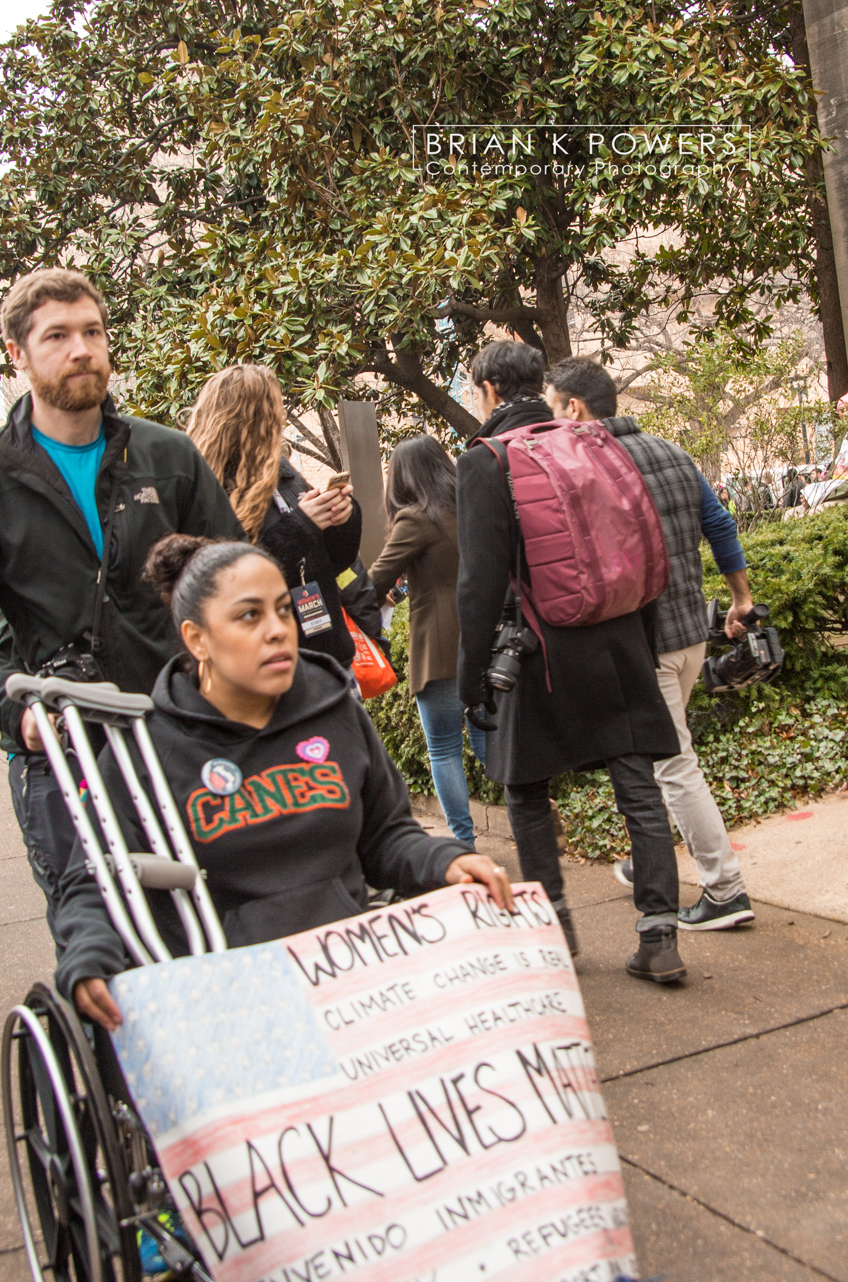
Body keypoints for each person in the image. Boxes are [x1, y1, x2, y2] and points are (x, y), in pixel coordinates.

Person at [54, 534, 726, 1282]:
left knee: (505, 1086)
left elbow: (387, 838)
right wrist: (88, 956)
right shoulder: (150, 754)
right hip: (247, 1011)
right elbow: (93, 883)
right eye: (251, 618)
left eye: (284, 609)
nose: (280, 631)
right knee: (358, 1179)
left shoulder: (331, 707)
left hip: (357, 976)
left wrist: (447, 860)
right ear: (195, 640)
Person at [0, 266, 242, 934]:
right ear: (18, 353)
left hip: (184, 732)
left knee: (224, 922)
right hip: (65, 751)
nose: (81, 350)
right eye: (58, 336)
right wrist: (21, 712)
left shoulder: (168, 456)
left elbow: (235, 580)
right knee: (106, 942)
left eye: (92, 331)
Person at [455, 341, 686, 983]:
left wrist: (471, 676)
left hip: (538, 646)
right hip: (616, 635)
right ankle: (659, 935)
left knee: (526, 788)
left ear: (491, 391)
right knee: (636, 780)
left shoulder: (485, 461)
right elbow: (639, 540)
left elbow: (478, 583)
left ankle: (556, 931)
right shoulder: (595, 440)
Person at [544, 358, 755, 932]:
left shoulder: (588, 465)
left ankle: (725, 889)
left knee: (674, 765)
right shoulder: (672, 451)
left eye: (551, 404)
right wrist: (741, 601)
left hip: (648, 643)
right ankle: (648, 859)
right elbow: (721, 524)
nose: (548, 415)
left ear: (575, 409)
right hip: (693, 636)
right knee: (667, 753)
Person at [185, 365, 363, 674]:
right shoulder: (205, 488)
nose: (281, 416)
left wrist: (341, 517)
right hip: (267, 664)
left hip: (329, 655)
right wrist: (302, 525)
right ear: (250, 417)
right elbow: (228, 578)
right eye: (274, 406)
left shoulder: (283, 472)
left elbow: (334, 561)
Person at [368, 435, 486, 848]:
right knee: (489, 737)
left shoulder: (416, 519)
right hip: (483, 639)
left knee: (444, 750)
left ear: (403, 476)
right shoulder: (471, 507)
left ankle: (463, 842)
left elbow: (375, 580)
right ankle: (531, 811)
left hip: (438, 649)